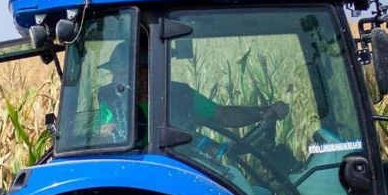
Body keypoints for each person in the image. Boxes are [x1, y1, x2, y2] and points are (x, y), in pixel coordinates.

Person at [91, 45, 287, 136]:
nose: (116, 79)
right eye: (116, 72)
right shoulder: (110, 98)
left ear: (145, 71)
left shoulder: (180, 95)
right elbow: (102, 131)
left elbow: (224, 115)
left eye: (121, 72)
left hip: (179, 166)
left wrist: (262, 112)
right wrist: (106, 133)